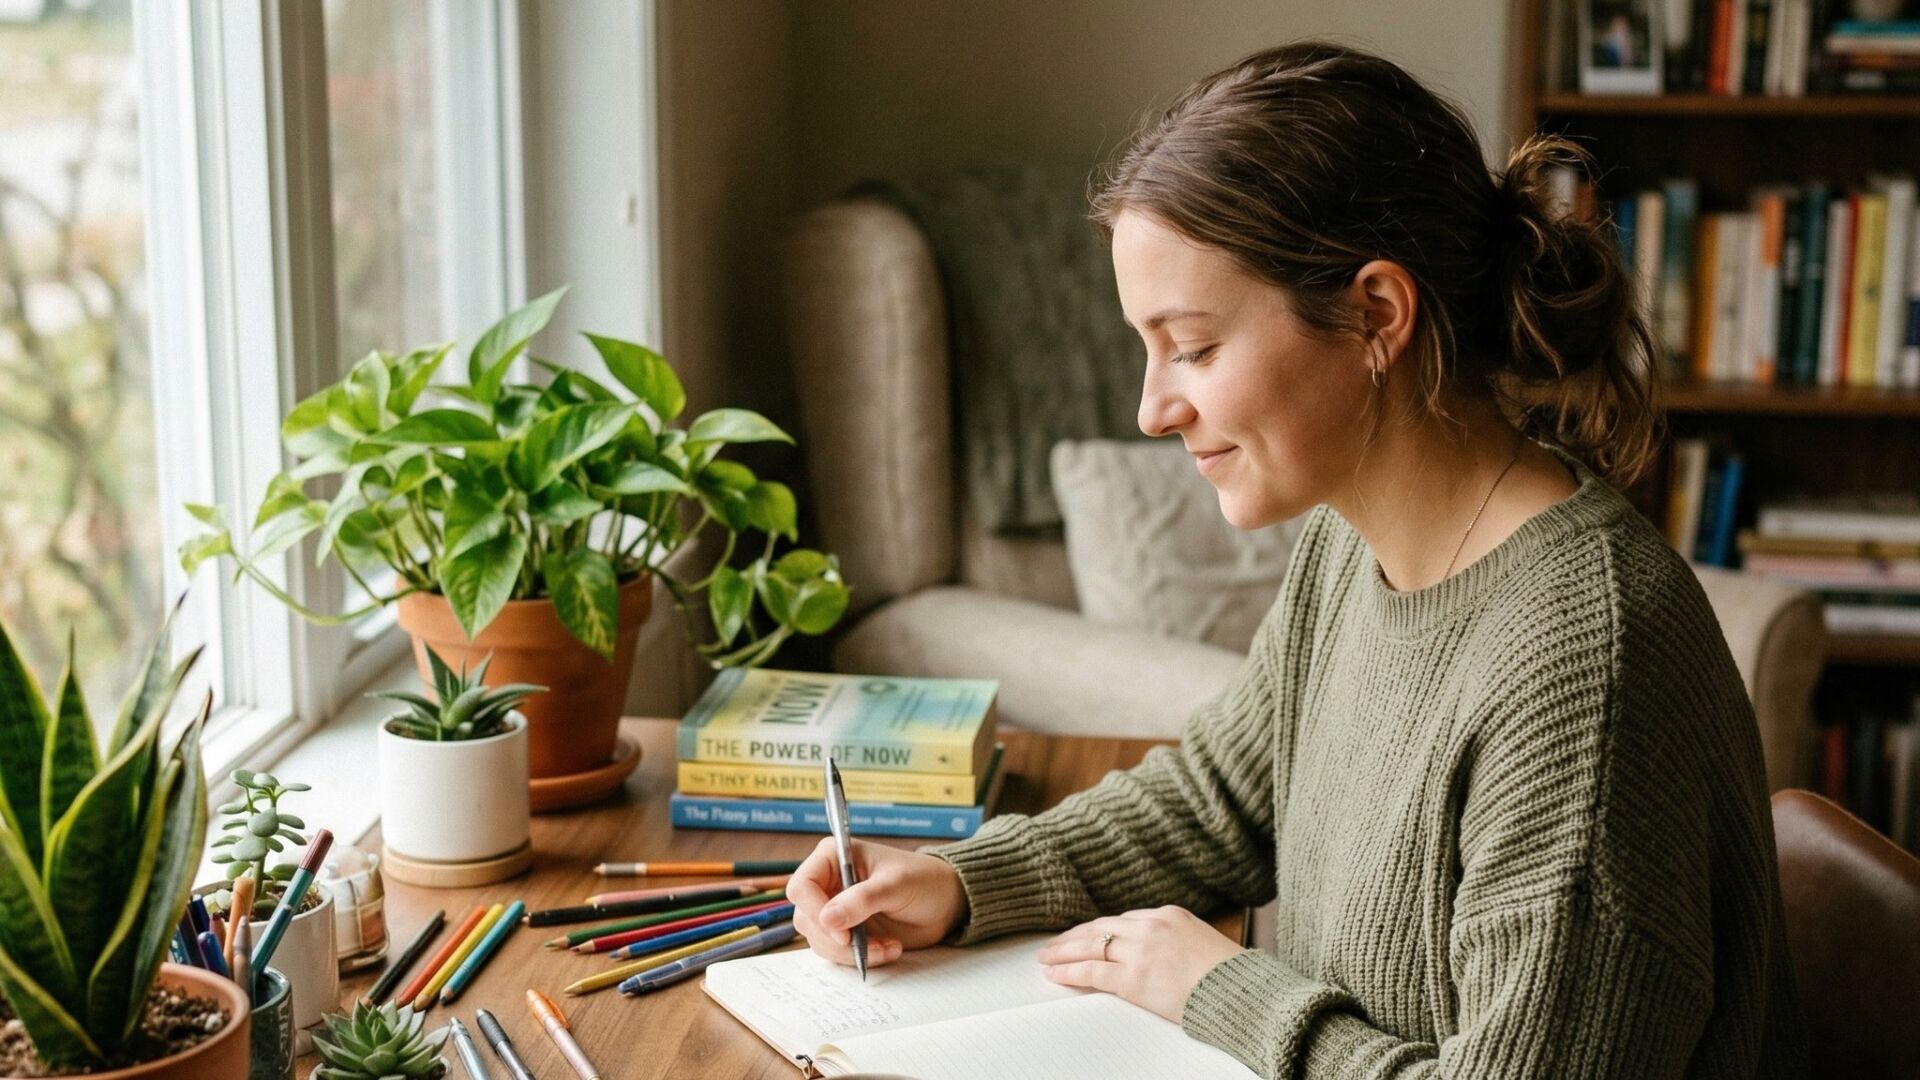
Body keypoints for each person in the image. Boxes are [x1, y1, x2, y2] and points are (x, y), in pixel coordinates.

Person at [788, 40, 1807, 1078]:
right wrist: (960, 883)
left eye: (1192, 346)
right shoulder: (1347, 541)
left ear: (1375, 314)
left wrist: (1222, 990)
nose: (1151, 409)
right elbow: (1219, 801)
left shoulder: (1583, 665)